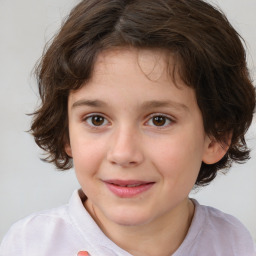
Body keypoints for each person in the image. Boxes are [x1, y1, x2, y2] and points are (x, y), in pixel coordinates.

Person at [0, 0, 255, 255]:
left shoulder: (233, 243)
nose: (123, 154)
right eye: (97, 119)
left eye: (159, 120)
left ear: (215, 138)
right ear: (66, 132)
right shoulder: (29, 245)